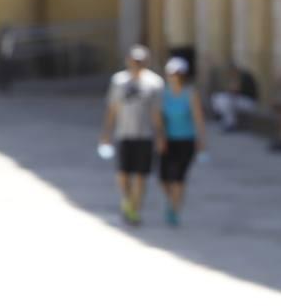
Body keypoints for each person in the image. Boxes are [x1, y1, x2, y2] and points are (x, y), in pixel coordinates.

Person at [99, 45, 166, 226]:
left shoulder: (155, 83)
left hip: (145, 135)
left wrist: (160, 135)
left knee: (140, 175)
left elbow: (157, 112)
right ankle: (127, 200)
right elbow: (112, 109)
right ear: (128, 60)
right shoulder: (119, 81)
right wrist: (106, 133)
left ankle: (135, 209)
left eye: (140, 61)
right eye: (134, 60)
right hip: (124, 133)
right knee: (122, 174)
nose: (136, 64)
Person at [158, 57, 207, 226]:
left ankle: (174, 209)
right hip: (167, 140)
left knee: (179, 176)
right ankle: (172, 201)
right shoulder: (163, 94)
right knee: (163, 178)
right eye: (171, 73)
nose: (174, 76)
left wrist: (201, 140)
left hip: (186, 140)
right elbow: (158, 118)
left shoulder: (190, 94)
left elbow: (198, 118)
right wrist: (160, 136)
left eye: (177, 73)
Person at [211, 63, 260, 131]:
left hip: (250, 102)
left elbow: (235, 90)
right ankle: (223, 118)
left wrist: (231, 89)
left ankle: (230, 123)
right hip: (242, 101)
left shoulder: (244, 76)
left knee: (227, 101)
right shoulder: (237, 76)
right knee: (218, 97)